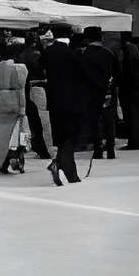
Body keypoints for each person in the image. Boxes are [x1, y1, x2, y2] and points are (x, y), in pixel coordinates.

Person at [40, 23, 92, 186]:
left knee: (62, 136)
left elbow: (38, 68)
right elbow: (83, 76)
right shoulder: (73, 54)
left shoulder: (47, 53)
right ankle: (66, 168)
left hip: (54, 101)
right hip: (72, 101)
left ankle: (61, 164)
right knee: (69, 136)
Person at [0, 42, 32, 174]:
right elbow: (21, 85)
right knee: (13, 134)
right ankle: (12, 158)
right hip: (13, 99)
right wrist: (22, 109)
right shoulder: (20, 68)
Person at [81, 27, 119, 160]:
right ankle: (110, 149)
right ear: (101, 38)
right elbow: (117, 74)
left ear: (87, 39)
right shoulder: (109, 53)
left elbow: (82, 75)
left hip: (91, 92)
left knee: (95, 120)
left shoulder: (85, 55)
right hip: (108, 91)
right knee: (109, 120)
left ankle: (98, 149)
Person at [20, 38, 51, 160]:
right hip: (38, 87)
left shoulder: (22, 55)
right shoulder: (38, 54)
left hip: (27, 88)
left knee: (32, 122)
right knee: (43, 120)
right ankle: (45, 149)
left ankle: (37, 146)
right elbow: (41, 70)